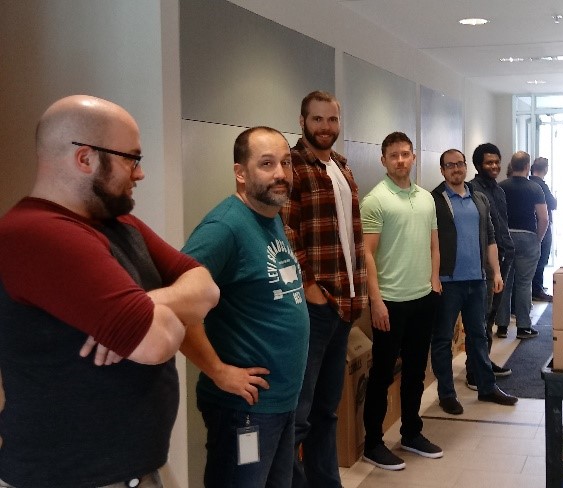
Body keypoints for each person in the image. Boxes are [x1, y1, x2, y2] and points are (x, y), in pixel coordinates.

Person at [0, 95, 220, 488]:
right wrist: (161, 314)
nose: (140, 173)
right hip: (73, 477)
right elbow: (157, 341)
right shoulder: (37, 233)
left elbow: (205, 288)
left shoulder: (120, 225)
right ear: (85, 158)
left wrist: (144, 303)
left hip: (132, 468)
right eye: (131, 159)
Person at [181, 126, 310, 488]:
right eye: (267, 164)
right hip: (245, 411)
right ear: (240, 172)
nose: (281, 173)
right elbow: (176, 307)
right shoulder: (224, 228)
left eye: (286, 163)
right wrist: (218, 371)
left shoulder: (270, 216)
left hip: (280, 402)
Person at [280, 91, 367, 488]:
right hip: (315, 306)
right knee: (299, 415)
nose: (325, 127)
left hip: (344, 304)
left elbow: (351, 235)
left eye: (332, 119)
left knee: (327, 410)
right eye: (317, 119)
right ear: (302, 122)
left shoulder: (341, 167)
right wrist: (310, 286)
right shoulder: (292, 167)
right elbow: (285, 230)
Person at [360, 132, 443, 470]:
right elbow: (366, 254)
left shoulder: (426, 198)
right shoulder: (375, 200)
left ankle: (411, 432)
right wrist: (376, 301)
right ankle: (373, 443)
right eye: (393, 155)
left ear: (413, 157)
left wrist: (434, 280)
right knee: (382, 375)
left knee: (415, 371)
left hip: (423, 298)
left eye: (405, 154)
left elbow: (434, 244)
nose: (400, 160)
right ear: (383, 160)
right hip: (390, 303)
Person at [430, 149, 518, 416]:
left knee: (479, 335)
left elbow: (490, 238)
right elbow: (429, 243)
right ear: (442, 170)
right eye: (450, 165)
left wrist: (496, 273)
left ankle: (486, 386)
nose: (456, 169)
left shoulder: (479, 198)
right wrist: (433, 277)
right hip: (447, 283)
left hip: (477, 280)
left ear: (466, 166)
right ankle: (447, 394)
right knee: (443, 339)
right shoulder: (434, 200)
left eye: (460, 164)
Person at [469, 143, 514, 381]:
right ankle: (475, 369)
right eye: (489, 162)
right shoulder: (472, 190)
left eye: (496, 162)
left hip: (503, 257)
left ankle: (484, 362)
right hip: (484, 263)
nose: (494, 166)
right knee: (481, 318)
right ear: (478, 165)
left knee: (491, 315)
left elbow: (502, 224)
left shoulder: (499, 190)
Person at [497, 151, 548, 339]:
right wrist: (537, 239)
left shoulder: (501, 187)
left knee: (505, 283)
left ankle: (502, 326)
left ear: (511, 165)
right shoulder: (535, 188)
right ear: (527, 167)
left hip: (506, 238)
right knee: (524, 283)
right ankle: (523, 327)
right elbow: (543, 218)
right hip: (527, 237)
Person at [529, 156, 556, 302]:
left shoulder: (528, 183)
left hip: (530, 225)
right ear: (545, 169)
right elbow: (553, 204)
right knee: (541, 258)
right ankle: (537, 289)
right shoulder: (541, 185)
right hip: (542, 227)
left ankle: (534, 288)